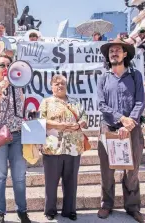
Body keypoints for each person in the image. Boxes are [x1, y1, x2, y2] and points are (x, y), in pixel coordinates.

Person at [97, 38, 145, 223]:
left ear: (125, 54)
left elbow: (140, 101)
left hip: (132, 129)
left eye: (118, 50)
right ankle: (106, 204)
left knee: (132, 170)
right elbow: (101, 104)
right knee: (106, 170)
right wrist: (121, 118)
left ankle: (133, 207)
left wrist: (130, 122)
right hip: (108, 127)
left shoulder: (135, 76)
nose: (114, 53)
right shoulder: (103, 77)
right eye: (111, 51)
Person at [0, 55, 31, 223]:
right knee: (0, 174)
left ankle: (22, 211)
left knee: (19, 175)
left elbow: (23, 110)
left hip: (17, 135)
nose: (6, 67)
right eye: (2, 64)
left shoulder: (19, 86)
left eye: (9, 65)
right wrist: (0, 92)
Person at [38, 74, 88, 221]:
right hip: (52, 147)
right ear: (51, 86)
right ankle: (50, 210)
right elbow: (40, 120)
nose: (60, 86)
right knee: (51, 181)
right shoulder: (46, 102)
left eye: (62, 84)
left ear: (66, 86)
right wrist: (60, 126)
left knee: (71, 180)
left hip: (73, 147)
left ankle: (70, 210)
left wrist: (79, 124)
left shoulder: (75, 102)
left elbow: (84, 117)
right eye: (56, 84)